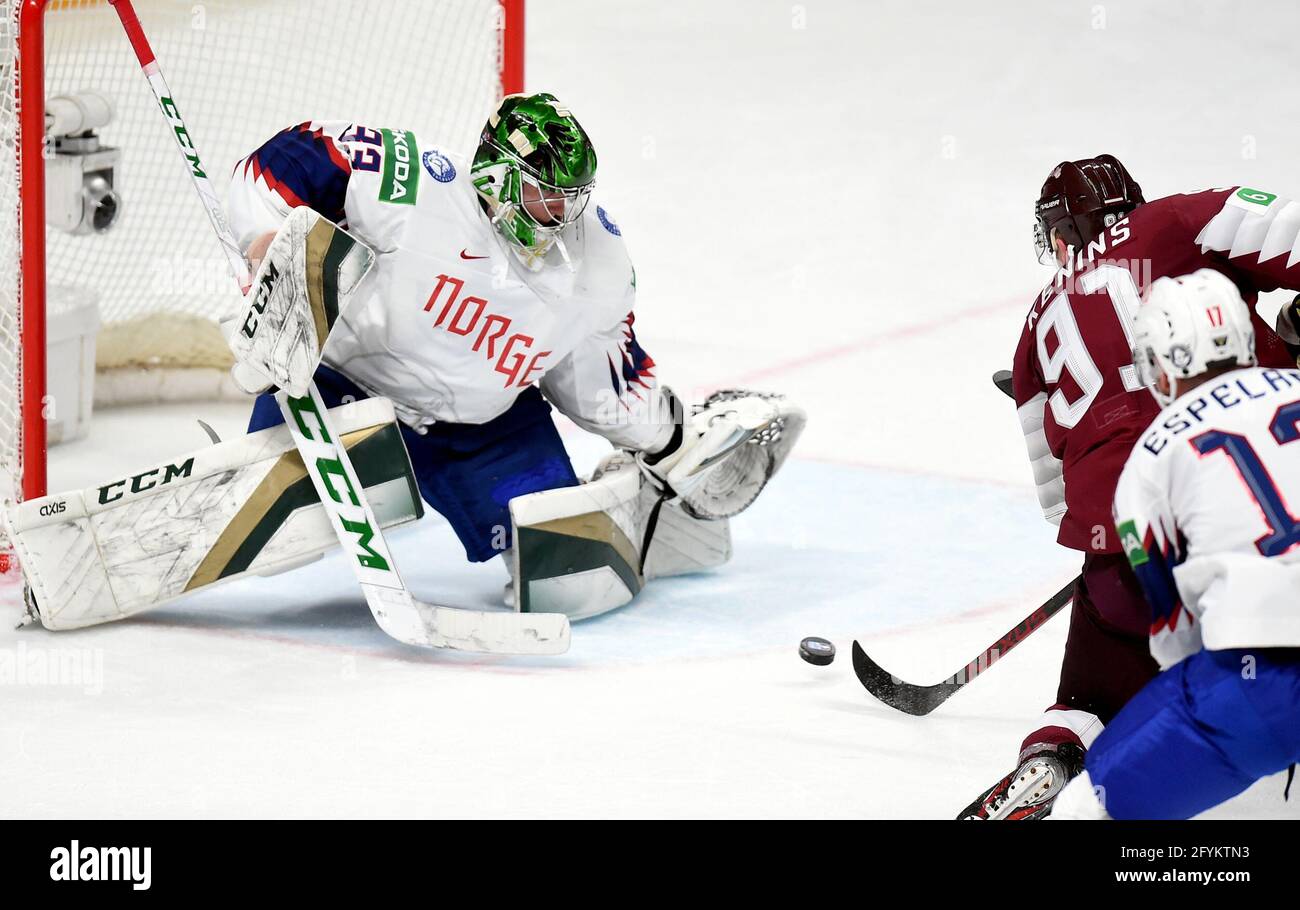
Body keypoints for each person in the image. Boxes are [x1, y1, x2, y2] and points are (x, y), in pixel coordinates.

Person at [964, 156, 1300, 819]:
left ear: (1061, 234)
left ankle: (1057, 752)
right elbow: (1288, 227)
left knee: (1096, 686)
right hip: (1261, 481)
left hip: (1120, 527)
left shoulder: (1033, 332)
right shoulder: (1175, 218)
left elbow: (1058, 498)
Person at [1052, 268, 1300, 819]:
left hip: (1259, 682)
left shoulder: (1148, 460)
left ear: (1160, 363)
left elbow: (1177, 638)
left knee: (1086, 811)